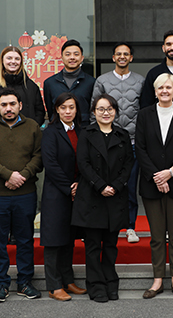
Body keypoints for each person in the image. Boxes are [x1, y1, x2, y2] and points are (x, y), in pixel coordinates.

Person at [0, 88, 43, 303]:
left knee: (25, 240)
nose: (8, 108)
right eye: (4, 105)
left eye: (12, 104)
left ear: (20, 105)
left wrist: (22, 176)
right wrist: (7, 175)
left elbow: (39, 156)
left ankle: (24, 282)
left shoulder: (32, 126)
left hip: (25, 193)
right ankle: (1, 284)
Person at [135, 74, 173, 299]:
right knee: (157, 236)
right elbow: (140, 148)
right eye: (160, 87)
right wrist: (157, 177)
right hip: (152, 184)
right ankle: (158, 279)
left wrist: (170, 172)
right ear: (155, 91)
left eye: (169, 87)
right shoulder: (144, 114)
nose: (164, 91)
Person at [71, 94, 134, 303]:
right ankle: (96, 286)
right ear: (94, 112)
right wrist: (100, 186)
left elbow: (129, 164)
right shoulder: (86, 134)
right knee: (92, 246)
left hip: (115, 196)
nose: (105, 113)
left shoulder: (123, 135)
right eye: (101, 109)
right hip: (92, 196)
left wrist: (115, 186)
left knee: (110, 245)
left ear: (115, 111)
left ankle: (111, 283)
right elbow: (83, 163)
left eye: (109, 109)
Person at [92, 43, 145, 244]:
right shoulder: (102, 80)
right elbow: (94, 111)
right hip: (106, 142)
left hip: (132, 142)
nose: (122, 57)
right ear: (113, 57)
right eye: (118, 54)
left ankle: (130, 226)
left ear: (131, 57)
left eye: (126, 54)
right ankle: (105, 224)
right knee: (105, 184)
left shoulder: (140, 81)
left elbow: (144, 111)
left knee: (129, 186)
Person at [40, 92, 87, 301]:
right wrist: (69, 187)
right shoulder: (50, 132)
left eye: (71, 107)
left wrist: (80, 184)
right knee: (54, 241)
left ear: (77, 110)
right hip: (56, 194)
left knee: (69, 239)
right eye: (63, 108)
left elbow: (85, 161)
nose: (68, 111)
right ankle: (54, 285)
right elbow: (50, 165)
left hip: (76, 192)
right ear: (56, 110)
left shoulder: (81, 131)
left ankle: (68, 281)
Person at [0, 46, 45, 126]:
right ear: (2, 60)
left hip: (26, 133)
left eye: (17, 59)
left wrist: (31, 128)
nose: (13, 61)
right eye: (9, 58)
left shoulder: (31, 86)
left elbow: (40, 112)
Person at [43, 40, 95, 124]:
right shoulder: (50, 83)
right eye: (68, 54)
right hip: (58, 129)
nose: (72, 57)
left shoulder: (91, 82)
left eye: (76, 54)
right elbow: (50, 111)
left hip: (84, 129)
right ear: (62, 57)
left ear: (82, 58)